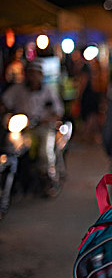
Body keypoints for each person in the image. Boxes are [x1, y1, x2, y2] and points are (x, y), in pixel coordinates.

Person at [1, 59, 64, 191]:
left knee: (44, 151)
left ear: (41, 75)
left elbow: (58, 111)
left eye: (35, 73)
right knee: (10, 148)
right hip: (22, 128)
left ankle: (47, 177)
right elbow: (5, 102)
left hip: (42, 127)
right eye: (30, 73)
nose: (32, 76)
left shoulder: (48, 91)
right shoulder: (17, 89)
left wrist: (47, 119)